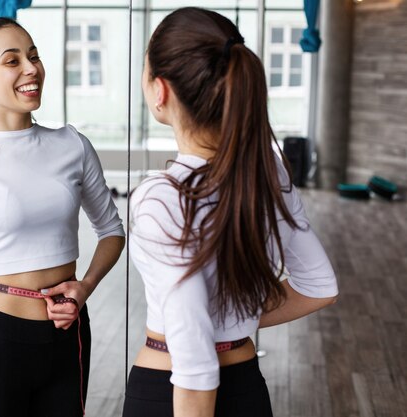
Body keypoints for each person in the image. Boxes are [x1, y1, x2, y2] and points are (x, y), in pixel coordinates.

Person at [122, 8, 338, 417]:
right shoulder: (271, 170)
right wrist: (236, 319)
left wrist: (211, 323)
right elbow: (319, 287)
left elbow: (195, 362)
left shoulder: (163, 197)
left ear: (160, 90)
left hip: (170, 395)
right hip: (246, 387)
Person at [0, 18, 125, 417]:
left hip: (67, 335)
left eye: (33, 56)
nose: (31, 68)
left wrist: (84, 288)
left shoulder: (72, 145)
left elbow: (111, 231)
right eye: (12, 60)